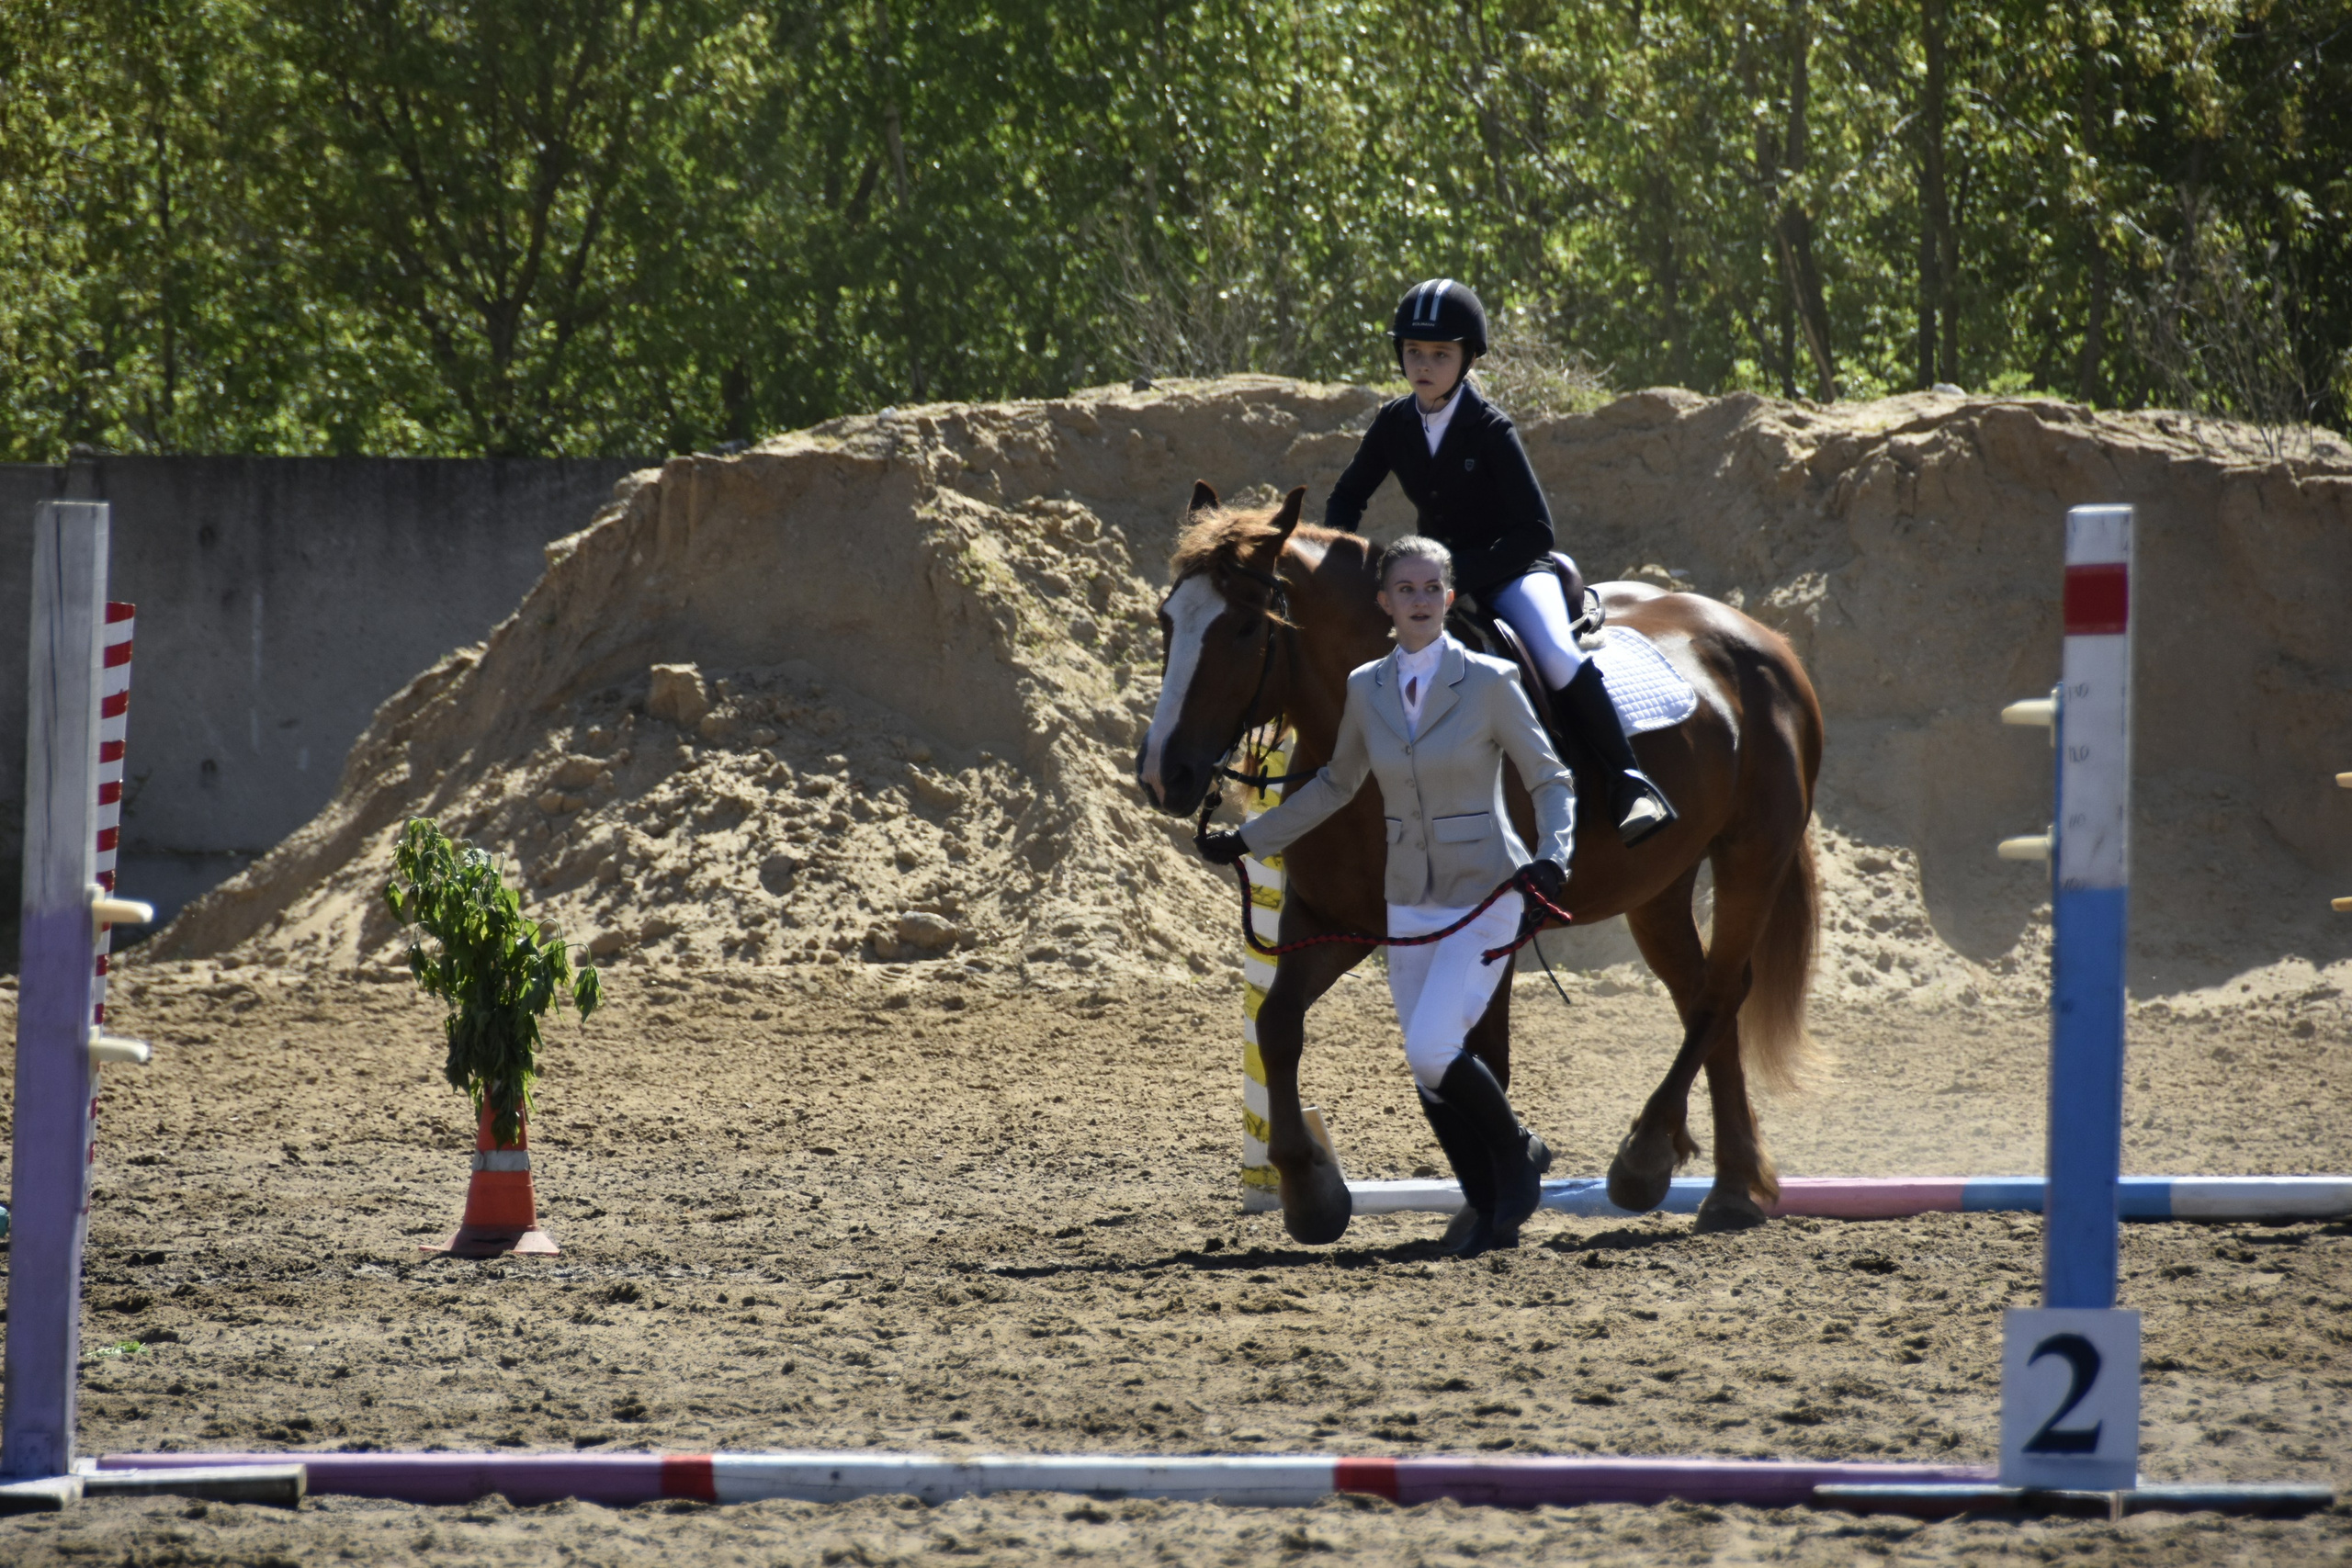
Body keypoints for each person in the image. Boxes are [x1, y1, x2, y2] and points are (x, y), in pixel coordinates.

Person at [1196, 537, 1570, 1257]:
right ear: (1384, 602)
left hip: (1485, 888)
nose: (1421, 599)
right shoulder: (1366, 686)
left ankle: (1518, 1161)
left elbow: (1551, 778)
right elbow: (1337, 784)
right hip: (1409, 897)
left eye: (1433, 586)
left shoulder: (1491, 680)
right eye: (1406, 588)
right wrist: (1249, 839)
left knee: (1433, 1048)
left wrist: (1553, 855)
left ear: (1449, 598)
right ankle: (1491, 1207)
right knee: (1428, 1071)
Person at [1322, 277, 1675, 847]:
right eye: (1414, 352)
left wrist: (1455, 577)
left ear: (1466, 359)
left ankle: (1627, 780)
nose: (1424, 365)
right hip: (1431, 578)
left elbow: (1536, 531)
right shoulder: (1394, 421)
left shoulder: (1490, 429)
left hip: (1513, 570)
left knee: (1556, 653)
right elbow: (1347, 497)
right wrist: (1333, 557)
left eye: (1440, 354)